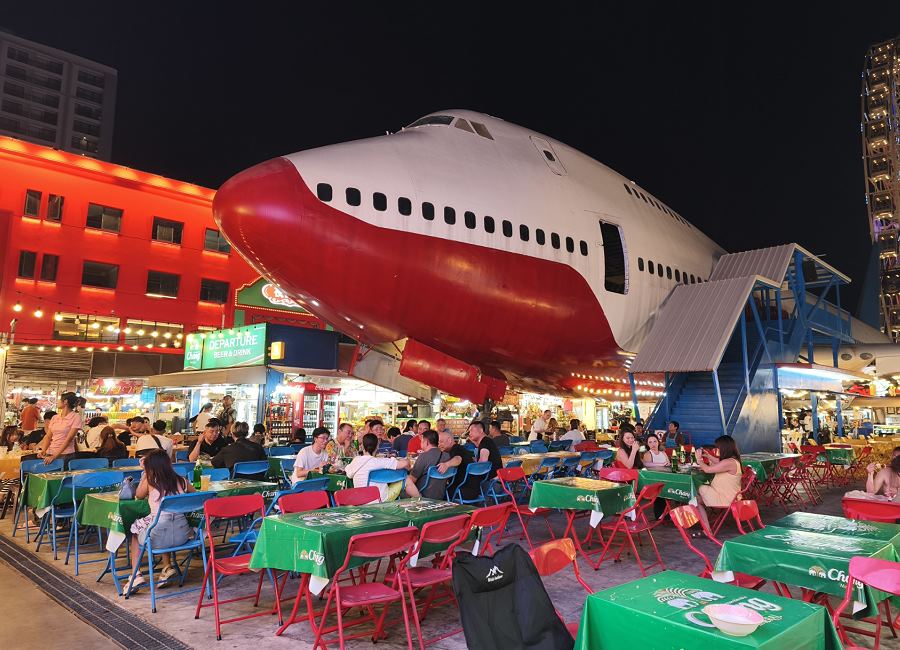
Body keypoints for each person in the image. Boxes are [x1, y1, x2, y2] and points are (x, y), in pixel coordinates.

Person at [127, 450, 195, 591]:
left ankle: (136, 574)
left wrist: (145, 473)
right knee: (162, 524)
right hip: (182, 536)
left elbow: (138, 495)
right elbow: (196, 496)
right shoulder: (182, 481)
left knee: (135, 531)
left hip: (158, 539)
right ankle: (167, 567)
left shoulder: (151, 481)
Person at [344, 432, 411, 501]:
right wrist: (407, 459)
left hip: (360, 501)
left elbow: (349, 474)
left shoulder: (356, 460)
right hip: (380, 500)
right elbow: (404, 463)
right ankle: (420, 500)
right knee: (406, 479)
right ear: (377, 446)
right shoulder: (379, 461)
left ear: (362, 446)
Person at [695, 435, 743, 530]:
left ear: (724, 448)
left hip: (725, 498)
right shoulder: (733, 460)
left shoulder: (729, 462)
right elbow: (719, 462)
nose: (717, 450)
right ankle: (706, 529)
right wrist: (708, 455)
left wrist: (699, 460)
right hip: (731, 496)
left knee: (695, 497)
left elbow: (708, 470)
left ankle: (707, 530)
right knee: (695, 500)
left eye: (718, 448)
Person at [37, 392, 81, 466]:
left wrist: (55, 456)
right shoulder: (55, 417)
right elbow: (48, 436)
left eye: (59, 400)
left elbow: (69, 439)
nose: (57, 402)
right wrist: (43, 450)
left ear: (66, 401)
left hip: (66, 454)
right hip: (50, 453)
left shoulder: (75, 417)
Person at [408, 429, 450, 498]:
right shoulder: (447, 456)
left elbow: (412, 480)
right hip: (441, 495)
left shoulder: (423, 456)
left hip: (422, 493)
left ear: (427, 442)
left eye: (421, 441)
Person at [437, 430, 474, 499]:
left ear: (449, 440)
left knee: (436, 491)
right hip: (473, 489)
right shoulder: (460, 448)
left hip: (462, 491)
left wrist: (446, 465)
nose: (439, 445)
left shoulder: (456, 449)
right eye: (438, 442)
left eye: (441, 442)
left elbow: (458, 459)